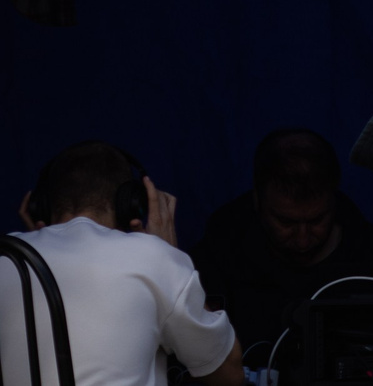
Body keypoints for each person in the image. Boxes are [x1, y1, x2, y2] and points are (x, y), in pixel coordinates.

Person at [5, 140, 243, 386]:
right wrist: (171, 257)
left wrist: (33, 248)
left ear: (40, 208)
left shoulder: (6, 256)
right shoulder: (153, 258)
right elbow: (229, 374)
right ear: (129, 205)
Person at [189, 128, 373, 370]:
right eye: (286, 222)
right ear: (257, 200)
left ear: (334, 199)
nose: (302, 239)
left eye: (317, 221)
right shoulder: (217, 257)